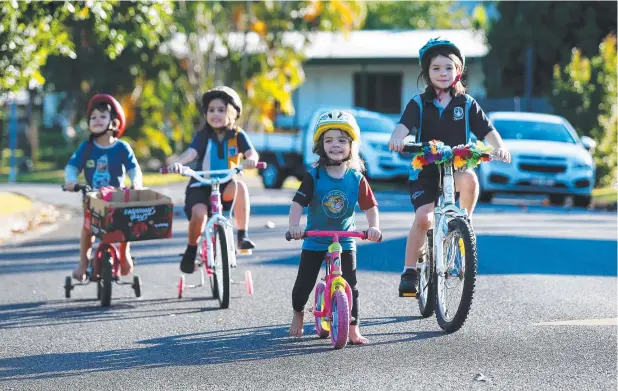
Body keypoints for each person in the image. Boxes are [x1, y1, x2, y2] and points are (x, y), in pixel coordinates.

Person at [388, 38, 512, 296]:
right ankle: (410, 271)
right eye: (436, 68)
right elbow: (402, 127)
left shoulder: (466, 103)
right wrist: (397, 139)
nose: (442, 73)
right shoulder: (418, 103)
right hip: (426, 169)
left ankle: (462, 224)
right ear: (426, 72)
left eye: (448, 68)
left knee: (470, 180)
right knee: (423, 219)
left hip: (456, 166)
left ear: (458, 71)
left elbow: (488, 131)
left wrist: (499, 147)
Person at [287, 110, 382, 345]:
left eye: (341, 140)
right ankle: (298, 313)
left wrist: (373, 227)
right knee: (303, 284)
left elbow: (370, 206)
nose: (335, 145)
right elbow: (298, 204)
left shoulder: (357, 178)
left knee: (351, 284)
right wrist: (295, 226)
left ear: (351, 145)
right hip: (315, 239)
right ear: (321, 146)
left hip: (345, 239)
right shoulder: (314, 176)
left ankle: (353, 328)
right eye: (329, 140)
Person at [166, 86, 259, 274]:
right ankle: (191, 250)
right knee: (199, 214)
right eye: (211, 110)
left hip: (225, 183)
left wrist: (251, 161)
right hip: (201, 184)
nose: (215, 114)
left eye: (221, 110)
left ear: (232, 113)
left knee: (240, 186)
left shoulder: (238, 135)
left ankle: (242, 236)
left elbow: (251, 153)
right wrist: (178, 164)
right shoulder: (204, 135)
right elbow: (192, 152)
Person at [64, 94, 143, 281]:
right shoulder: (87, 148)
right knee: (88, 229)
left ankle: (124, 255)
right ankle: (83, 262)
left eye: (102, 116)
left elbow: (134, 168)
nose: (97, 120)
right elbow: (73, 166)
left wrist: (136, 182)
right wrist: (70, 180)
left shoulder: (122, 148)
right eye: (93, 117)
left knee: (126, 226)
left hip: (117, 198)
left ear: (114, 123)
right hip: (92, 198)